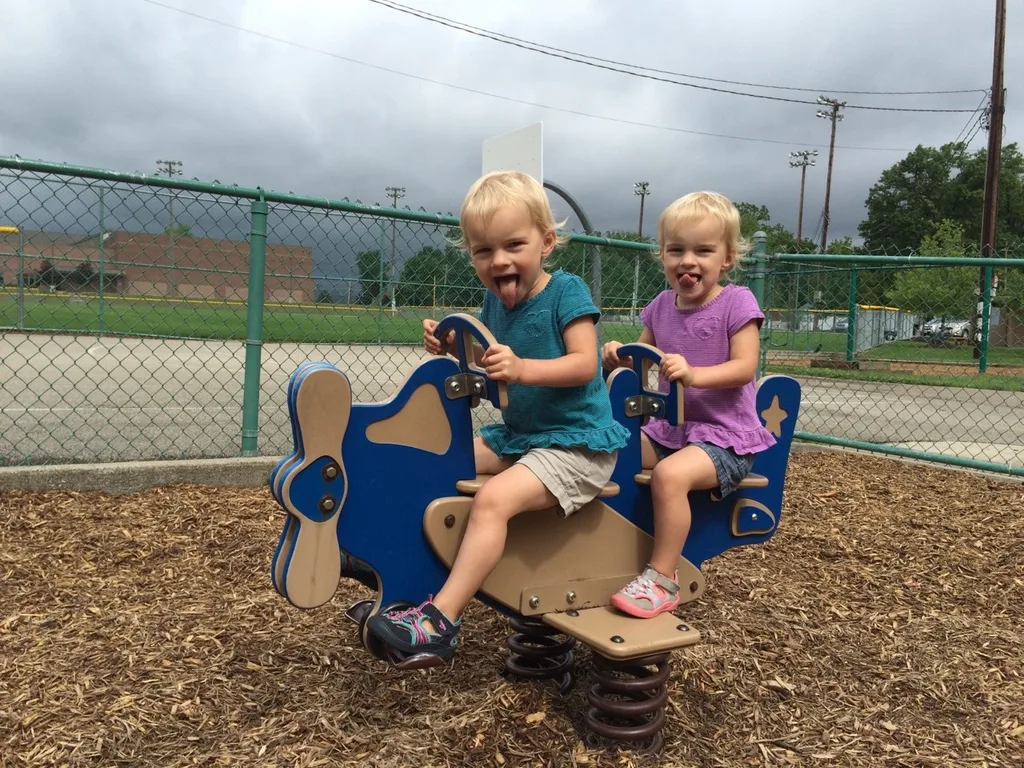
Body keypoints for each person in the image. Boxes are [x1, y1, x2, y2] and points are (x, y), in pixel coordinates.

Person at [367, 170, 631, 660]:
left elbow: (584, 364)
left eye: (514, 245)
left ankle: (441, 621)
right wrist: (452, 346)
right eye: (483, 250)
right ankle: (401, 584)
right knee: (438, 461)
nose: (499, 260)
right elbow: (488, 362)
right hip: (524, 438)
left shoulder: (566, 292)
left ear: (546, 242)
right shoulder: (493, 303)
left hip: (578, 445)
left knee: (491, 500)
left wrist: (522, 367)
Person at [602, 191, 777, 619]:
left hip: (726, 439)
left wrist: (695, 374)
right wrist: (618, 356)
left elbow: (745, 368)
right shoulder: (661, 307)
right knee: (607, 449)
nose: (688, 261)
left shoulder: (737, 302)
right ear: (662, 255)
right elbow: (641, 358)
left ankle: (662, 579)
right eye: (676, 250)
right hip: (672, 431)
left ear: (727, 258)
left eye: (703, 251)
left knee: (669, 476)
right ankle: (604, 550)